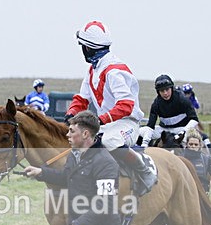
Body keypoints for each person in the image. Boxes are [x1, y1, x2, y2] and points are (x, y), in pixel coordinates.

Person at [65, 21, 157, 197]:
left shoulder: (114, 71)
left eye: (83, 46)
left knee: (107, 141)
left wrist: (101, 120)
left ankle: (145, 171)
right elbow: (82, 99)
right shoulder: (93, 70)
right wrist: (71, 114)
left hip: (126, 124)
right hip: (106, 124)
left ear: (89, 48)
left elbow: (126, 105)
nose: (82, 50)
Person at [143, 74, 200, 148]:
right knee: (140, 131)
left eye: (167, 89)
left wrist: (183, 132)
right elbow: (150, 126)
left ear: (171, 88)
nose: (165, 93)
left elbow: (194, 119)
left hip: (182, 129)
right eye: (162, 91)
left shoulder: (182, 99)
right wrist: (144, 143)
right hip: (164, 130)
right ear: (158, 92)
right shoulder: (156, 104)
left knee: (193, 139)